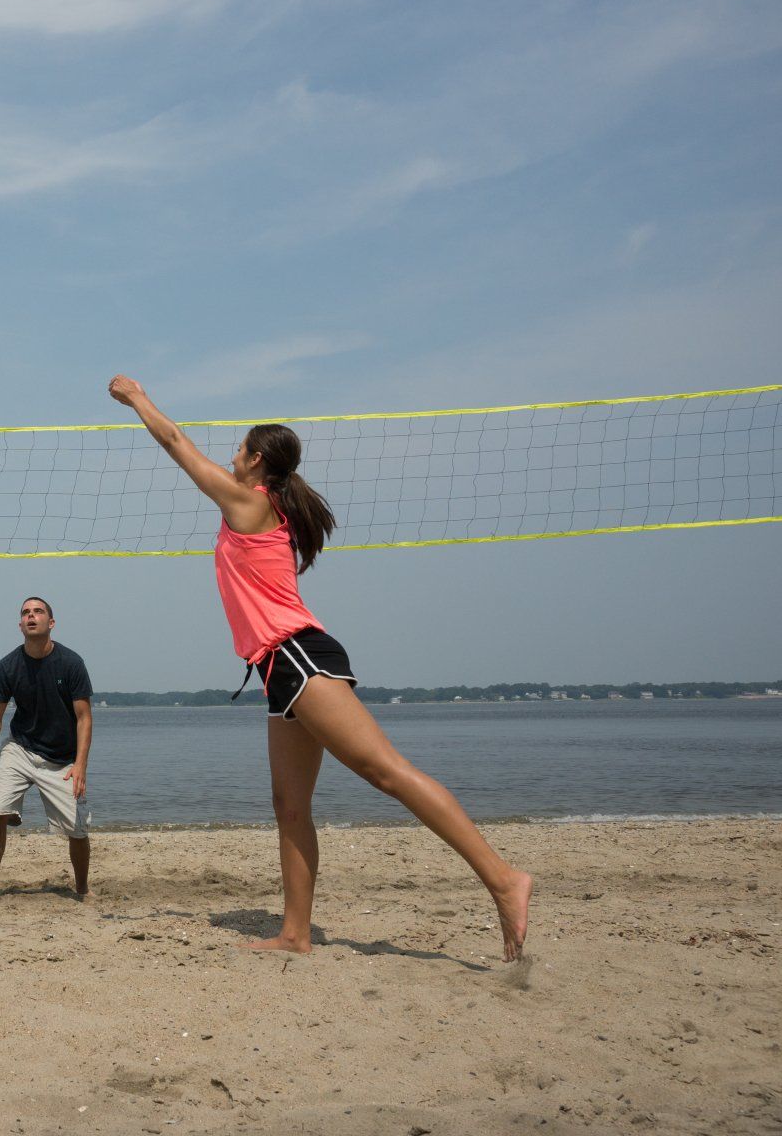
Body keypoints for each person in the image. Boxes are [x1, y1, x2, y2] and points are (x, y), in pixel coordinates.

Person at [107, 375, 532, 961]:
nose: (231, 456)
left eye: (238, 449)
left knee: (386, 772)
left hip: (298, 656)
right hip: (277, 667)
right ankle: (295, 934)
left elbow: (177, 443)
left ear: (256, 461)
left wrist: (136, 398)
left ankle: (503, 879)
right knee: (289, 806)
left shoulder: (251, 503)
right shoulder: (265, 506)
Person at [0, 597, 93, 900]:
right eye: (26, 613)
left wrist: (80, 765)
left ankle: (83, 888)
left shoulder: (71, 663)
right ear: (20, 625)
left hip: (62, 757)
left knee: (77, 828)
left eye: (38, 612)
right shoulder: (8, 665)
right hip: (21, 748)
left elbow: (84, 718)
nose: (32, 616)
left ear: (51, 623)